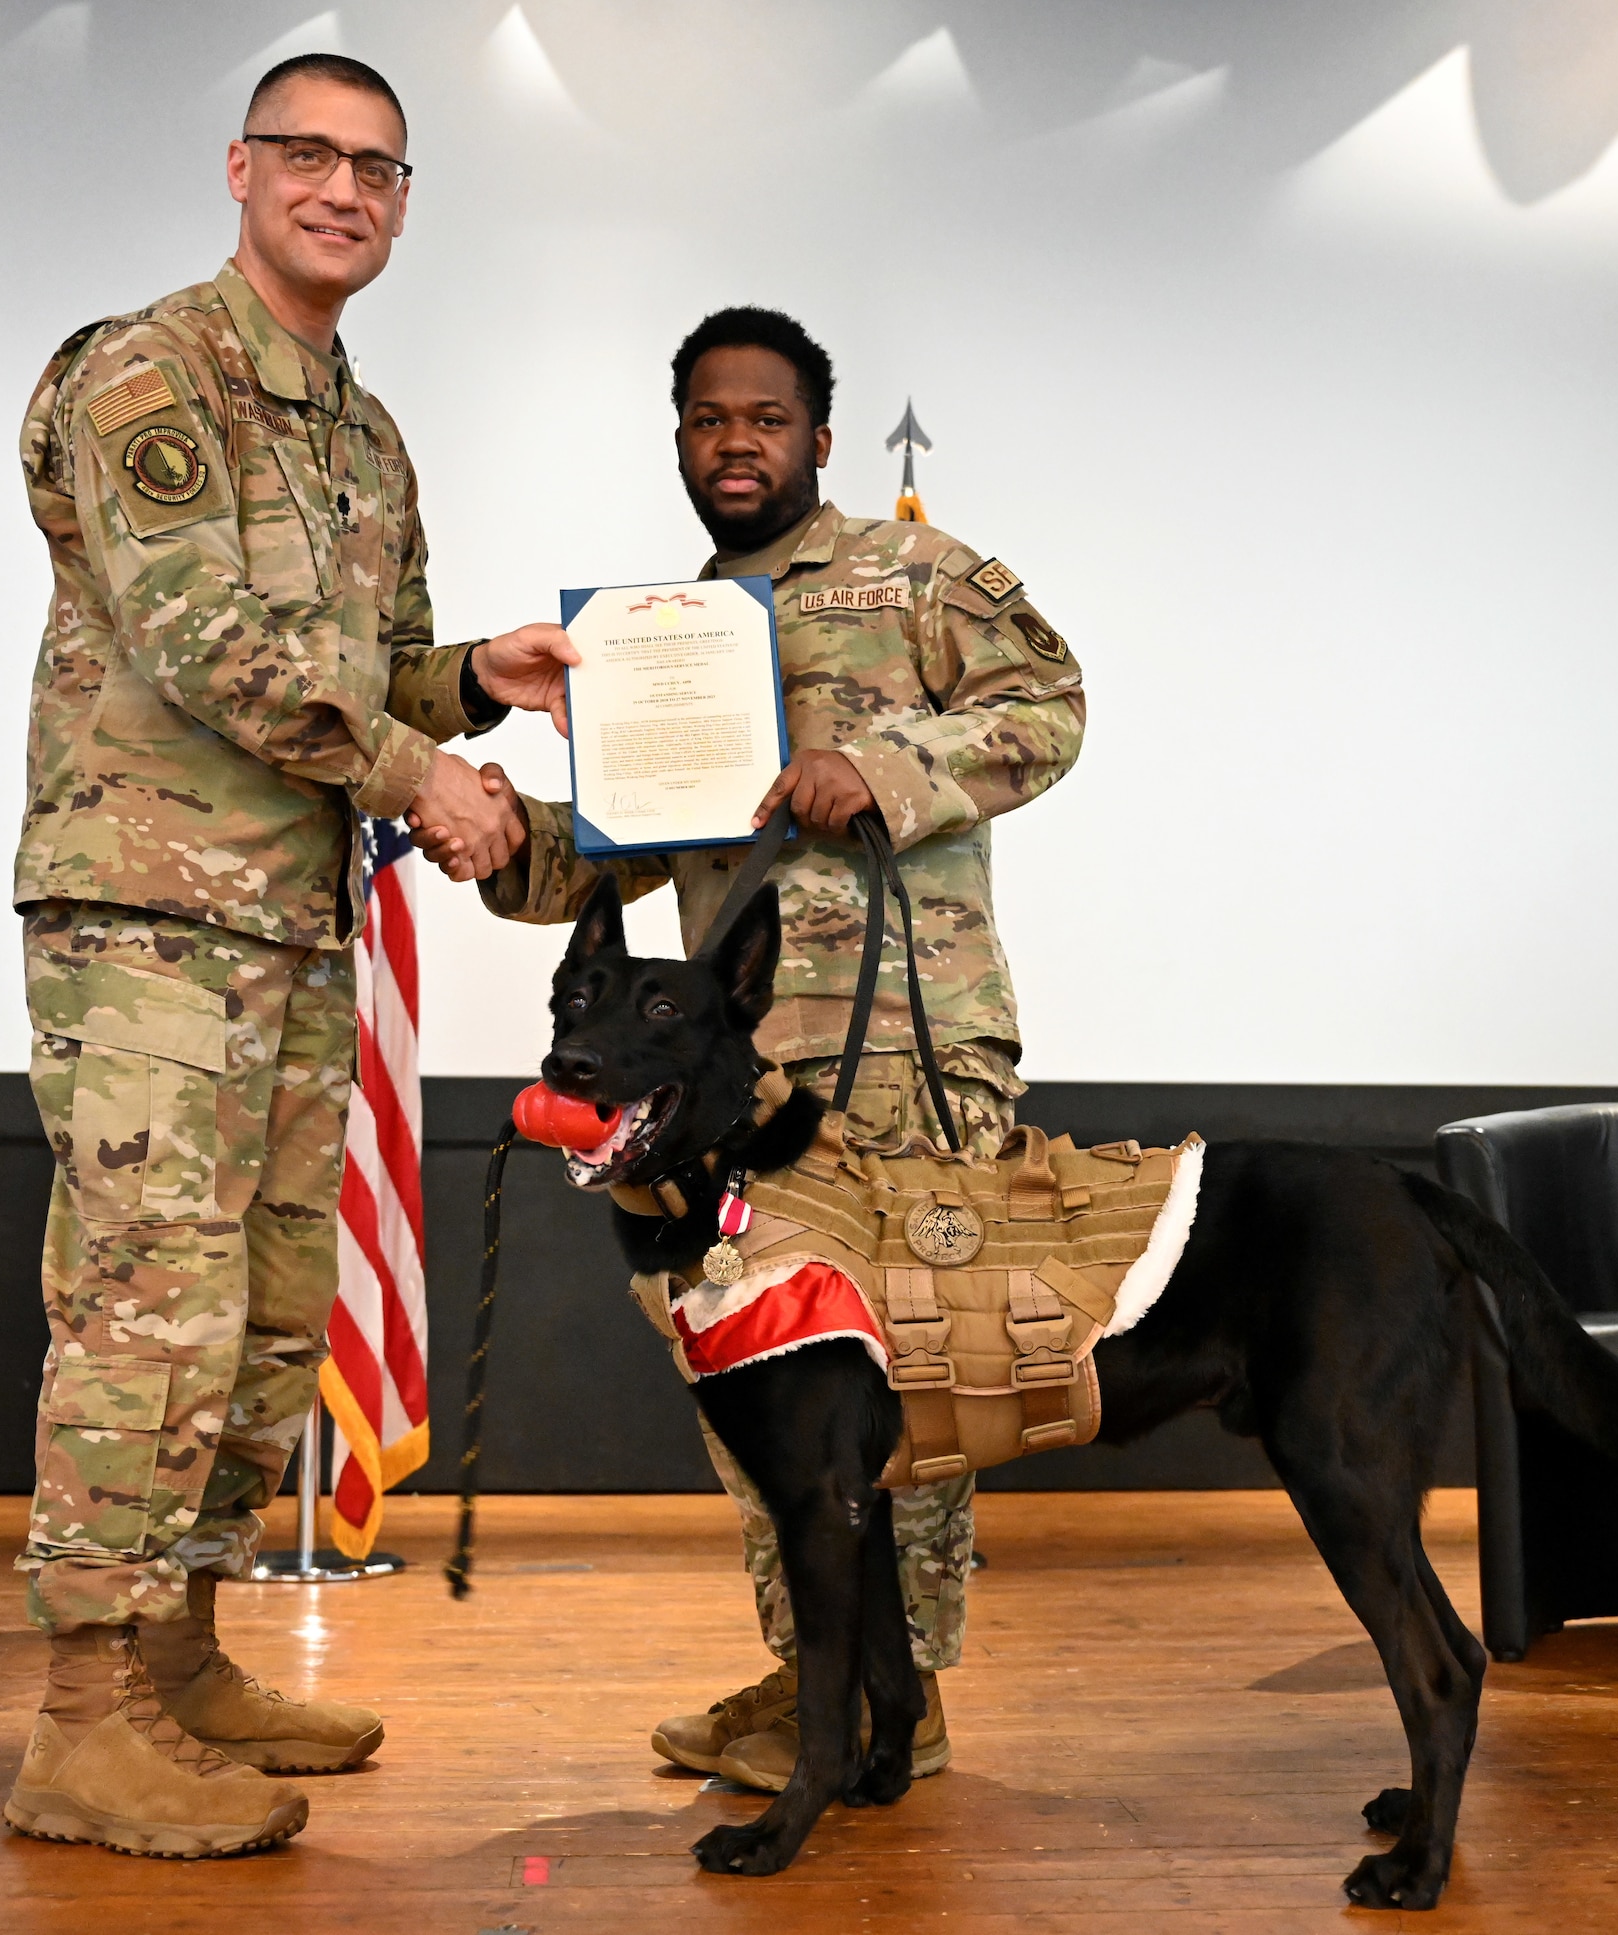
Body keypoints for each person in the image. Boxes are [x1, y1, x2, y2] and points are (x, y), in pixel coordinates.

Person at [7, 53, 572, 1858]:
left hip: (295, 928)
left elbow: (371, 670)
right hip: (153, 924)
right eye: (313, 157)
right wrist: (428, 778)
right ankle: (79, 1722)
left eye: (382, 170)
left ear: (404, 204)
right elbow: (207, 645)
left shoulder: (364, 433)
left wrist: (475, 683)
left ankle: (174, 1658)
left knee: (251, 1323)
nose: (345, 190)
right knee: (144, 1312)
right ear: (241, 168)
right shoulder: (147, 372)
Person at [432, 306, 1085, 1791]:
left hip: (904, 1060)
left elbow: (1052, 709)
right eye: (711, 419)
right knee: (765, 1397)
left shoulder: (917, 577)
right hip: (739, 1095)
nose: (739, 442)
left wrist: (887, 763)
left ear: (820, 440)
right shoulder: (668, 646)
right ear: (682, 440)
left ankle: (895, 1707)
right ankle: (818, 1675)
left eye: (768, 418)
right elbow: (599, 872)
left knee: (900, 1389)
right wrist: (484, 824)